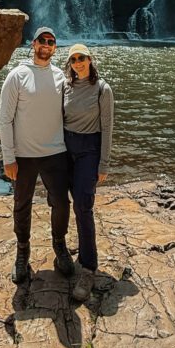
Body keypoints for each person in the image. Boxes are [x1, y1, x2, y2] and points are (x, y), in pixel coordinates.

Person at [0, 26, 74, 285]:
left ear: (55, 48)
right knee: (22, 204)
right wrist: (8, 157)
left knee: (62, 203)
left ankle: (60, 246)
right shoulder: (17, 76)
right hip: (24, 155)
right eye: (42, 40)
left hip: (56, 152)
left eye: (51, 42)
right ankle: (22, 251)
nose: (46, 45)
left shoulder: (61, 78)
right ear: (33, 44)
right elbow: (5, 119)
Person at [63, 43, 114, 303]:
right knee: (63, 202)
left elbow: (107, 128)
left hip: (88, 150)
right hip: (65, 149)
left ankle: (88, 267)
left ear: (90, 59)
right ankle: (66, 250)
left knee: (83, 205)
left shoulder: (103, 89)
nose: (78, 63)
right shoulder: (66, 85)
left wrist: (103, 164)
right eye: (73, 59)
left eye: (81, 58)